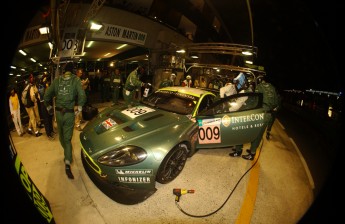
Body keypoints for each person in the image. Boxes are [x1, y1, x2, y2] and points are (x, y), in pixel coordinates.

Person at [44, 62, 86, 179]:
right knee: (67, 140)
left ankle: (67, 157)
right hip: (69, 114)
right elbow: (82, 96)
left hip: (58, 113)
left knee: (62, 138)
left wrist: (48, 108)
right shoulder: (76, 80)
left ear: (63, 71)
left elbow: (46, 96)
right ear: (72, 71)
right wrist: (80, 108)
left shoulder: (57, 81)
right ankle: (68, 161)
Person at [255, 75, 281, 140]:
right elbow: (276, 101)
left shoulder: (259, 87)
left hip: (262, 113)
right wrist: (275, 107)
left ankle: (253, 149)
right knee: (269, 123)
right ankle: (268, 131)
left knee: (258, 133)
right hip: (270, 112)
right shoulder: (272, 87)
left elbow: (256, 99)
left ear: (260, 80)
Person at [37, 74, 55, 140]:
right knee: (46, 119)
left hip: (48, 102)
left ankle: (51, 130)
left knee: (50, 117)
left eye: (45, 78)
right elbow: (42, 93)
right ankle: (48, 134)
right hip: (43, 104)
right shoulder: (40, 86)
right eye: (43, 78)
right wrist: (45, 85)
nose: (45, 79)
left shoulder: (46, 84)